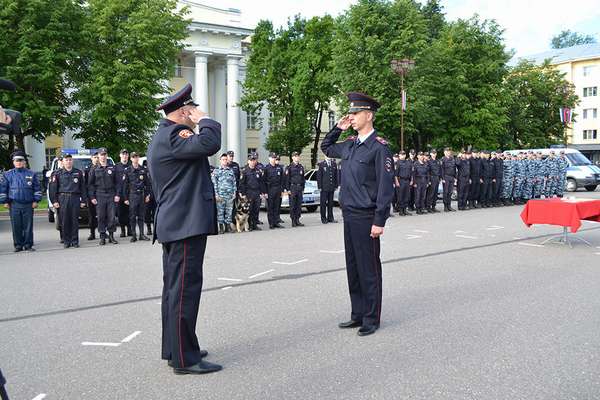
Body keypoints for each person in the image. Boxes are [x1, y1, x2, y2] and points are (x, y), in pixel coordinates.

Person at [147, 82, 222, 375]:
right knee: (184, 292)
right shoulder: (176, 134)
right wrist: (204, 119)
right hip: (184, 224)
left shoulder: (165, 136)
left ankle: (175, 347)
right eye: (190, 109)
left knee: (174, 291)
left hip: (178, 223)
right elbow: (209, 144)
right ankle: (184, 358)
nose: (194, 113)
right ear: (182, 112)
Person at [321, 92, 394, 337]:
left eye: (355, 113)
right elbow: (327, 148)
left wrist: (379, 220)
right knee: (353, 267)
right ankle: (358, 314)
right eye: (350, 114)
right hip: (349, 214)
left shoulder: (379, 148)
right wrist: (337, 128)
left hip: (366, 216)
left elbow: (385, 186)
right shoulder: (350, 144)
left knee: (369, 268)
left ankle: (371, 318)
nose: (350, 117)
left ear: (369, 115)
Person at [0, 150, 42, 252]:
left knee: (28, 226)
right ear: (13, 162)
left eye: (20, 160)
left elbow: (37, 188)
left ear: (24, 162)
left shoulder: (31, 174)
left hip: (28, 204)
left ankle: (28, 245)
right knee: (16, 225)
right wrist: (4, 201)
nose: (18, 162)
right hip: (14, 204)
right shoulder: (7, 174)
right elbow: (3, 188)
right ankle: (18, 245)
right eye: (16, 160)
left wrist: (36, 200)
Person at [49, 154, 87, 248]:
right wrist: (54, 201)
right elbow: (53, 189)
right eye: (66, 160)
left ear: (72, 161)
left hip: (75, 198)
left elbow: (83, 188)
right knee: (65, 221)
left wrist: (83, 201)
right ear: (63, 161)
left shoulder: (78, 173)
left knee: (75, 220)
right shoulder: (57, 173)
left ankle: (75, 241)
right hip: (63, 198)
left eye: (70, 160)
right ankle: (66, 241)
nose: (68, 161)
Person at [88, 148, 120, 245]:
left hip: (111, 194)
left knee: (111, 216)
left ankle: (111, 236)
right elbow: (90, 184)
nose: (103, 156)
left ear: (106, 155)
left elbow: (117, 183)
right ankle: (102, 236)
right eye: (101, 155)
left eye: (104, 154)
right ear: (98, 156)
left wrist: (117, 195)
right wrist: (92, 197)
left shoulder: (112, 168)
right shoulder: (94, 169)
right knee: (101, 216)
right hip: (99, 194)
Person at [124, 152, 152, 242]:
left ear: (138, 158)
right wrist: (125, 198)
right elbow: (124, 186)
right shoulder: (128, 170)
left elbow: (148, 184)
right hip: (132, 195)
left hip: (142, 195)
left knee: (141, 216)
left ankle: (142, 234)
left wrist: (148, 195)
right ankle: (134, 235)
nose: (135, 158)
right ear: (131, 159)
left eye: (136, 157)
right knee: (132, 216)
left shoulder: (143, 169)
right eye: (133, 157)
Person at [239, 152, 266, 231]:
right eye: (251, 160)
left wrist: (262, 192)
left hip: (257, 192)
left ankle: (255, 224)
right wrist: (243, 194)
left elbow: (261, 182)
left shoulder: (258, 170)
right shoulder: (244, 171)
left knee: (256, 209)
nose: (253, 162)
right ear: (248, 161)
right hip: (248, 193)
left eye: (254, 160)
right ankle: (249, 225)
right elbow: (242, 183)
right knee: (249, 210)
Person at [211, 153, 237, 233]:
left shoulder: (230, 171)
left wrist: (234, 193)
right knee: (220, 212)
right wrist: (216, 195)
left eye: (226, 159)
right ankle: (221, 227)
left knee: (229, 211)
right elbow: (214, 184)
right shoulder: (216, 171)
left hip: (229, 195)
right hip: (220, 195)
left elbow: (234, 182)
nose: (225, 161)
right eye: (223, 159)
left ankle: (228, 226)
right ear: (220, 161)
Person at [263, 152, 285, 229]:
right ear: (269, 158)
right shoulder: (266, 168)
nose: (274, 159)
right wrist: (265, 192)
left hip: (278, 189)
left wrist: (282, 191)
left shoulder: (279, 167)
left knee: (277, 207)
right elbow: (263, 181)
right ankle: (271, 223)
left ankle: (276, 222)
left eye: (274, 157)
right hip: (270, 190)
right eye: (272, 157)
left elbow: (282, 180)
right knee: (270, 208)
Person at [285, 151, 306, 227]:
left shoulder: (301, 167)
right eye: (296, 156)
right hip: (292, 188)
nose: (297, 157)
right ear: (292, 157)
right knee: (293, 205)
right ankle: (293, 220)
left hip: (299, 188)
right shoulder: (289, 167)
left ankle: (297, 220)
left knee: (299, 205)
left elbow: (303, 179)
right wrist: (288, 189)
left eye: (298, 156)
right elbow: (287, 179)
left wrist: (303, 188)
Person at [316, 156, 338, 223]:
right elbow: (319, 177)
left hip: (331, 187)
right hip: (324, 188)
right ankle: (323, 218)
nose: (328, 156)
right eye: (327, 155)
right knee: (323, 204)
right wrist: (319, 187)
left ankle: (330, 217)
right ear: (325, 156)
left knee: (331, 203)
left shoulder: (334, 164)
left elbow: (335, 175)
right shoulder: (322, 164)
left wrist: (336, 185)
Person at [115, 149, 131, 237]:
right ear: (120, 155)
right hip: (120, 194)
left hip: (129, 193)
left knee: (129, 212)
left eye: (126, 154)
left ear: (128, 156)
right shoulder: (116, 167)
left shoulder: (131, 166)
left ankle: (129, 230)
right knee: (121, 213)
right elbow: (114, 181)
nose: (125, 156)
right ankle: (122, 230)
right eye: (123, 154)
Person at [85, 152, 100, 240]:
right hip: (91, 195)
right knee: (92, 215)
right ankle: (92, 233)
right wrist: (89, 196)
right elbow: (86, 184)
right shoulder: (88, 169)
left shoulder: (103, 167)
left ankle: (103, 232)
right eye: (95, 157)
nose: (96, 159)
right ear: (91, 158)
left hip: (101, 194)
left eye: (97, 157)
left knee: (103, 215)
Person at [394, 150, 413, 216]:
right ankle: (401, 210)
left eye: (404, 154)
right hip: (401, 181)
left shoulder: (408, 162)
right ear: (399, 155)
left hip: (407, 180)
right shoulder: (397, 163)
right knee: (401, 196)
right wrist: (396, 182)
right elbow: (395, 174)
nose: (403, 155)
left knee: (407, 196)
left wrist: (411, 180)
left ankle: (405, 209)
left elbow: (411, 172)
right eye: (401, 154)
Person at [441, 147, 457, 212]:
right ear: (444, 152)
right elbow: (441, 169)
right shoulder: (443, 160)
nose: (448, 152)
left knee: (450, 192)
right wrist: (443, 178)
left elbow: (454, 169)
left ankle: (449, 206)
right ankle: (445, 206)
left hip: (452, 177)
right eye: (447, 151)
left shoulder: (452, 159)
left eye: (449, 151)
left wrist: (455, 177)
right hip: (446, 177)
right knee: (446, 192)